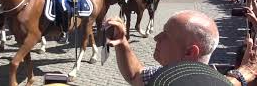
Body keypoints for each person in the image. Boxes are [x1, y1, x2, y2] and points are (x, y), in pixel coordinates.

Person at [103, 10, 257, 86]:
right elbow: (136, 74)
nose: (156, 38)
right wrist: (122, 42)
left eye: (166, 35)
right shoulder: (160, 73)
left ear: (190, 52)